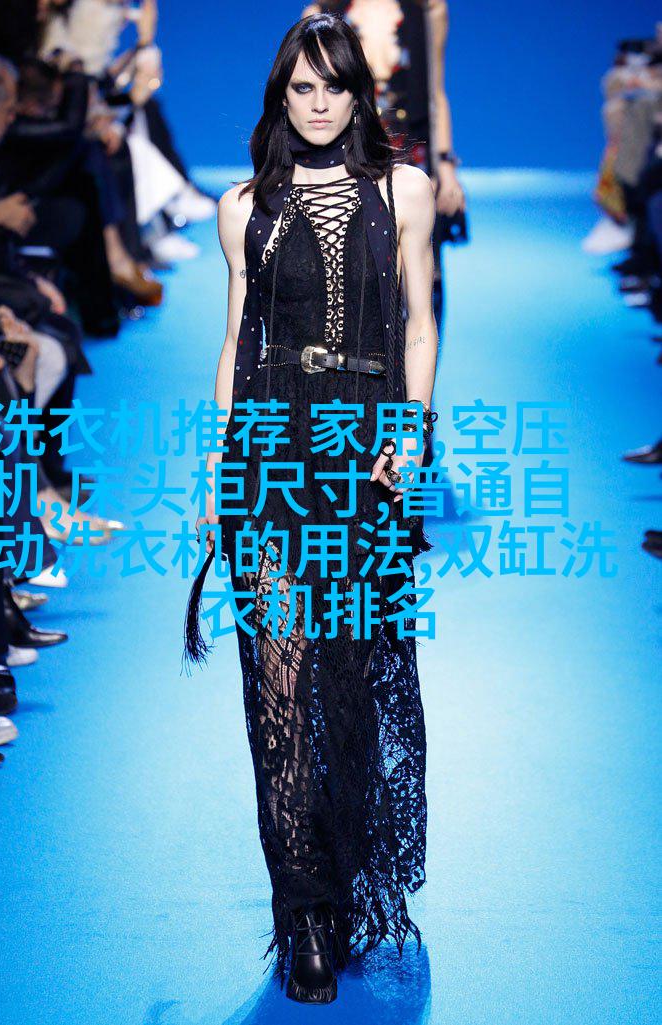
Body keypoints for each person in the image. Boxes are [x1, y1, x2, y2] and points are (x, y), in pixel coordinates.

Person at [184, 14, 438, 1004]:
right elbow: (236, 340)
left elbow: (417, 326)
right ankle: (305, 919)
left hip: (362, 459)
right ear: (279, 95)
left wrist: (410, 432)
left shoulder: (403, 192)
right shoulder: (240, 206)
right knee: (278, 694)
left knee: (348, 688)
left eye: (335, 85)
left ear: (359, 93)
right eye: (302, 86)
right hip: (269, 454)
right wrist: (219, 462)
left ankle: (344, 882)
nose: (319, 103)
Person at [303, 0, 465, 335]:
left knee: (422, 272)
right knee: (350, 268)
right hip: (348, 156)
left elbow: (435, 94)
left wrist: (446, 165)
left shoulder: (427, 11)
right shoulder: (320, 16)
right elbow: (312, 101)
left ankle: (418, 364)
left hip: (412, 157)